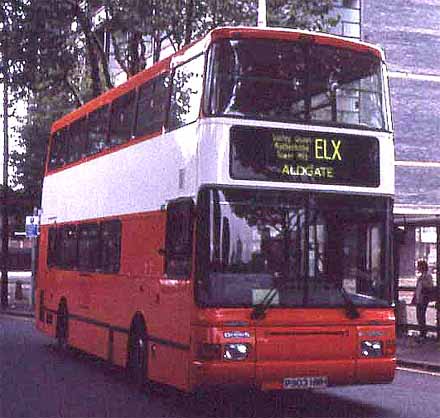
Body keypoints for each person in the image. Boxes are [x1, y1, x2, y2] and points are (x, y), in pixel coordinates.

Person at [412, 259, 433, 341]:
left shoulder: (427, 276)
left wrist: (424, 283)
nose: (417, 268)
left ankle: (423, 333)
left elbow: (430, 287)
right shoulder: (421, 277)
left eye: (419, 266)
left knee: (421, 316)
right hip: (419, 298)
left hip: (423, 299)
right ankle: (422, 332)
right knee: (419, 316)